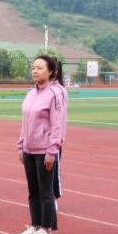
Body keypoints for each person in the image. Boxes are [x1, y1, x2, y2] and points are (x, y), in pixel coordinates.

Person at [15, 56, 62, 234]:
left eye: (40, 68)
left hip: (44, 149)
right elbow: (25, 122)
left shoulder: (54, 94)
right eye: (33, 67)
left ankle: (46, 229)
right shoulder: (30, 94)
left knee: (46, 191)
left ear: (50, 71)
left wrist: (52, 152)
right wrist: (21, 144)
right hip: (29, 149)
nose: (35, 71)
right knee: (33, 190)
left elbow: (57, 125)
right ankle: (35, 226)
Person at [51, 59, 68, 212]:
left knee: (53, 169)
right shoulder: (38, 91)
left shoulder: (59, 91)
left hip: (52, 139)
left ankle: (53, 198)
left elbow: (61, 117)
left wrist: (59, 137)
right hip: (37, 139)